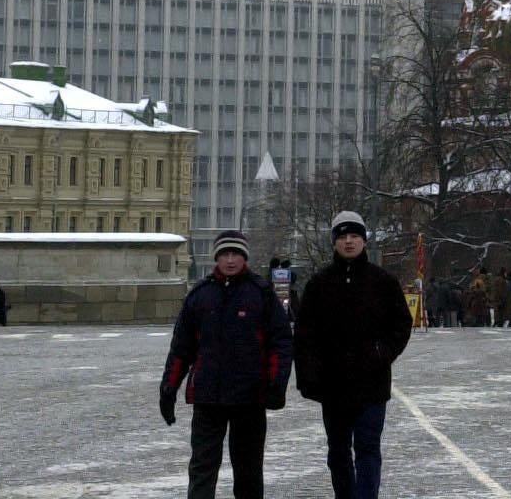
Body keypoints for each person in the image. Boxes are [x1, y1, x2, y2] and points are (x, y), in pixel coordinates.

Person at [160, 229, 293, 499]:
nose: (230, 260)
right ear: (216, 258)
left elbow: (281, 343)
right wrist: (169, 388)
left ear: (244, 258)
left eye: (236, 254)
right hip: (208, 398)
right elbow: (181, 349)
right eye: (224, 254)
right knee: (202, 470)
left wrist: (276, 384)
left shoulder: (261, 294)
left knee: (248, 472)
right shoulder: (200, 295)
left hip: (249, 399)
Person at [293, 211, 413, 499]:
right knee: (337, 452)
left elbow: (402, 323)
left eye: (354, 236)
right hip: (333, 386)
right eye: (343, 237)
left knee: (368, 448)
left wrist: (382, 352)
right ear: (334, 242)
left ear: (364, 241)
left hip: (372, 383)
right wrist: (309, 377)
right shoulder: (319, 285)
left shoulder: (382, 282)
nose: (349, 242)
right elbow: (305, 335)